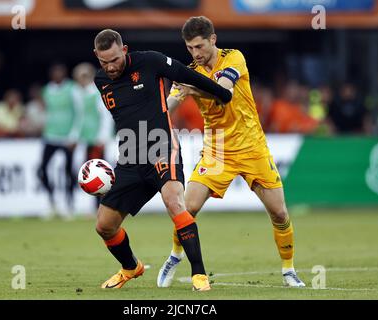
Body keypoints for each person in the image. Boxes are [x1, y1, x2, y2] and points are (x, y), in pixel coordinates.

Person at [157, 16, 305, 288]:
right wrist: (154, 113)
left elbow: (223, 91)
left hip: (252, 147)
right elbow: (170, 103)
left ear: (213, 39)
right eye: (190, 48)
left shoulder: (234, 58)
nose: (196, 54)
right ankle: (175, 256)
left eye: (199, 47)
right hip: (217, 150)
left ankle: (288, 270)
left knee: (280, 214)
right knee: (186, 208)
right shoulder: (190, 73)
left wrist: (193, 90)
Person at [92, 29, 232, 291]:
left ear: (124, 49)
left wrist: (222, 93)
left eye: (114, 59)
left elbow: (186, 75)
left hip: (161, 144)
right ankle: (131, 267)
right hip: (130, 156)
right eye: (104, 62)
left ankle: (199, 275)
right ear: (96, 57)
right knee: (104, 226)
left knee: (173, 201)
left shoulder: (151, 61)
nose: (110, 67)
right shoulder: (100, 80)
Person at [38, 63, 82, 218]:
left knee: (68, 171)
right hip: (50, 136)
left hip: (67, 137)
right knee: (42, 169)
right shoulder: (46, 90)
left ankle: (70, 205)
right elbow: (47, 112)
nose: (57, 75)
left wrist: (74, 136)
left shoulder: (72, 89)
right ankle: (52, 202)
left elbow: (79, 113)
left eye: (60, 72)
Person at [72, 62, 113, 209]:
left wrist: (103, 137)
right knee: (90, 172)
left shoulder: (96, 93)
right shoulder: (79, 94)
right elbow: (79, 118)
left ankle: (101, 206)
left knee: (98, 172)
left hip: (96, 139)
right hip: (86, 138)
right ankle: (97, 205)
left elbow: (105, 116)